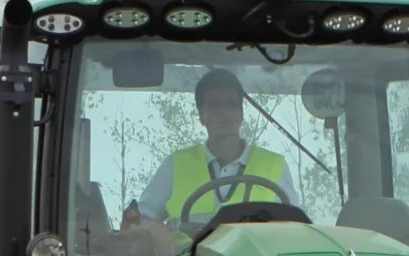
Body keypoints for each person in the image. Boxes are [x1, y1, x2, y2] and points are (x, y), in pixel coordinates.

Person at [123, 69, 300, 241]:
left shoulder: (274, 166)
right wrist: (156, 230)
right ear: (202, 115)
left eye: (232, 105)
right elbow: (138, 220)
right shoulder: (176, 165)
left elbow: (296, 231)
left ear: (241, 113)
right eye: (216, 106)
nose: (225, 113)